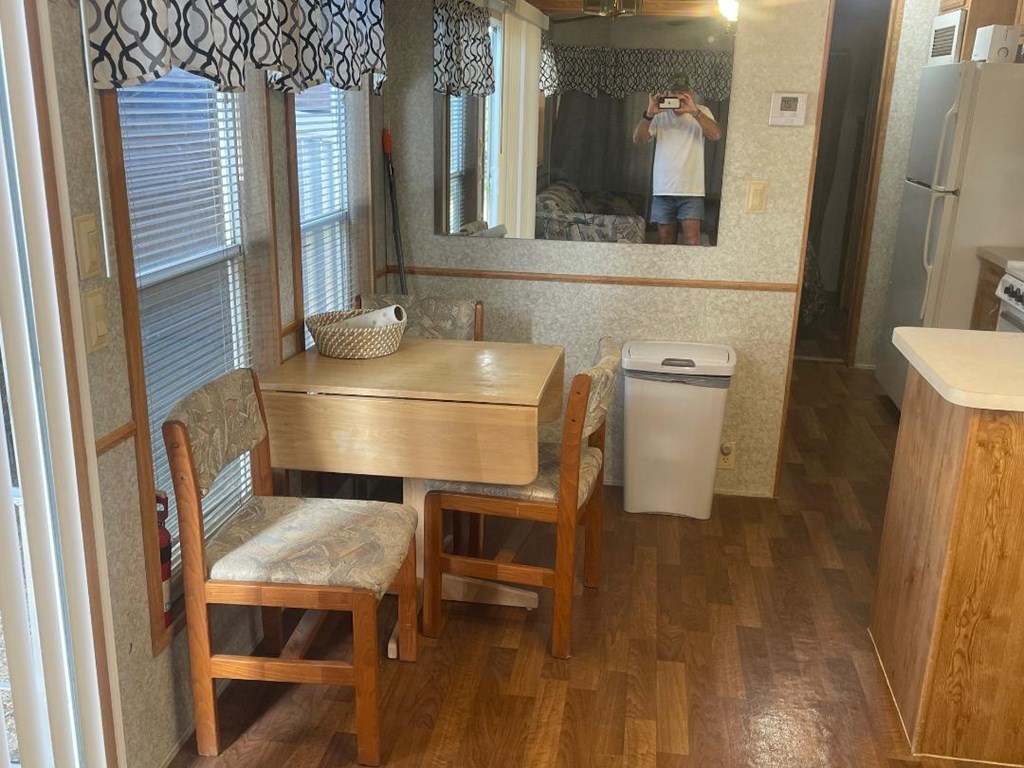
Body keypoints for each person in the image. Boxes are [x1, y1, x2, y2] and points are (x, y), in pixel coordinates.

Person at [632, 74, 722, 246]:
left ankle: (690, 274)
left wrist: (694, 111)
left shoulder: (701, 112)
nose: (678, 97)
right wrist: (649, 114)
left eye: (683, 93)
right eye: (674, 92)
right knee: (665, 241)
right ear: (667, 93)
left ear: (691, 93)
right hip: (662, 190)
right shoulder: (659, 114)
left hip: (691, 190)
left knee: (692, 241)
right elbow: (638, 139)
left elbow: (716, 135)